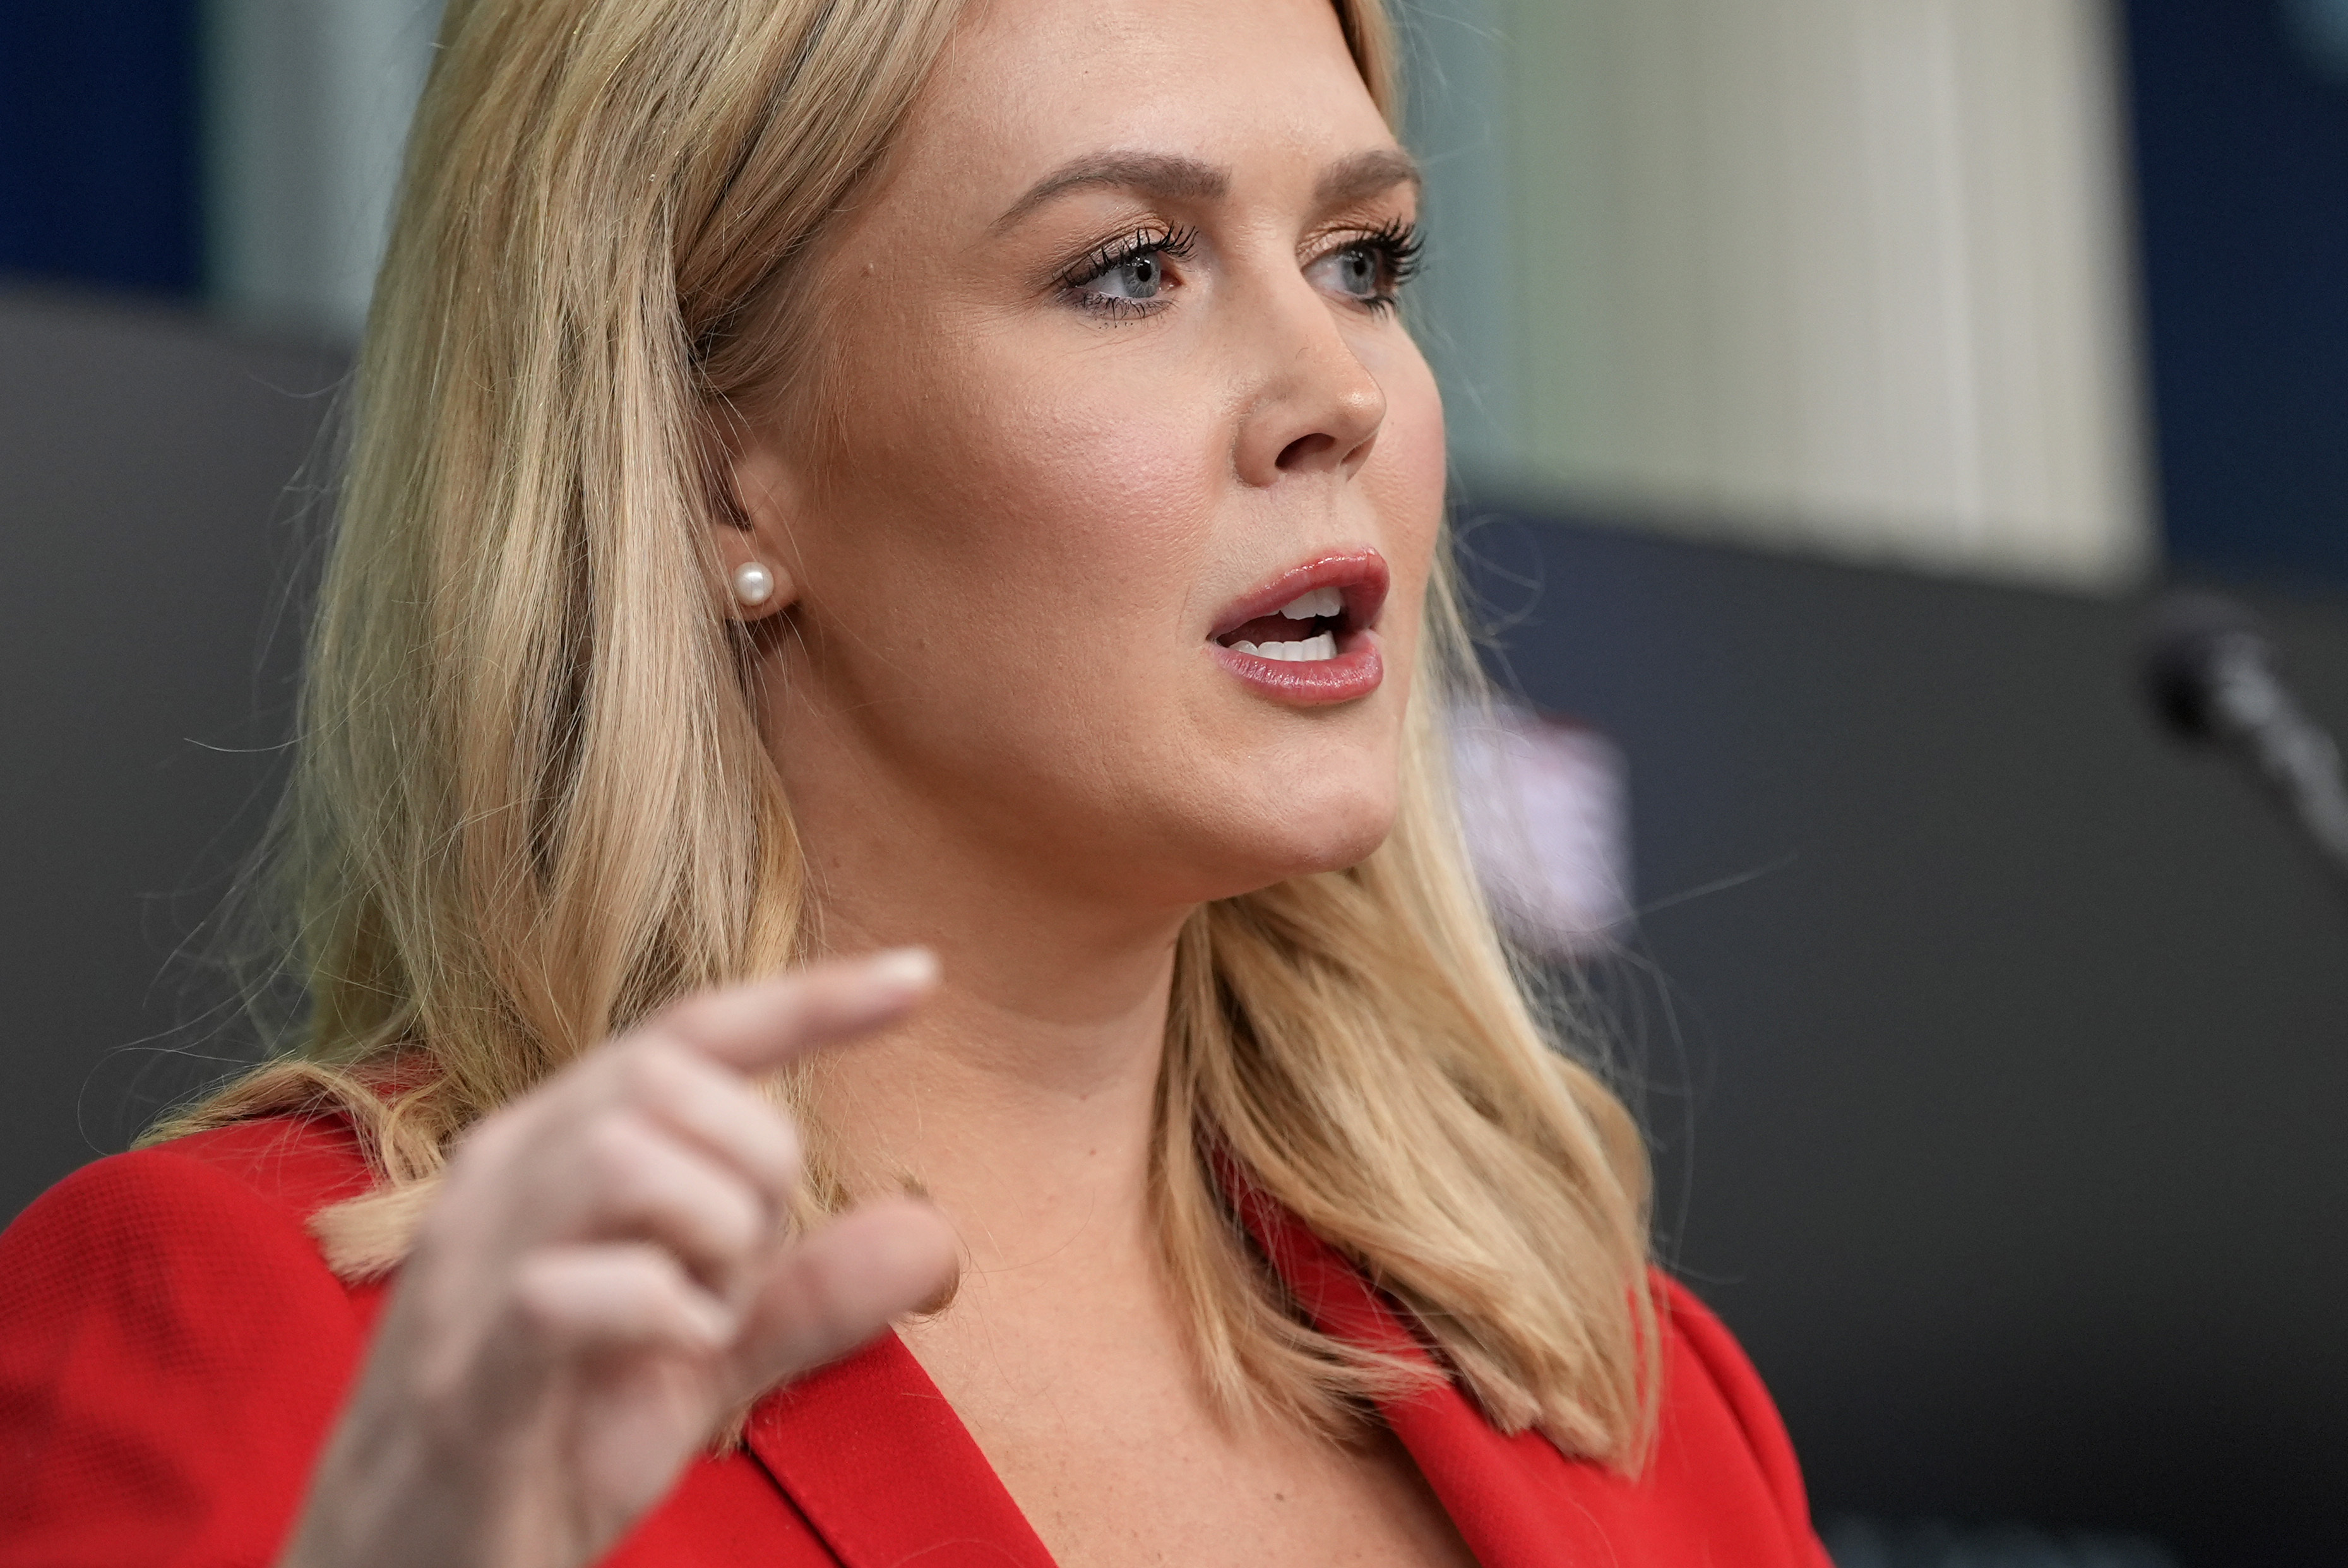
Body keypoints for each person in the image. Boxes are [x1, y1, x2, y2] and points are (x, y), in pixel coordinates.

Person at [0, 0, 1832, 1564]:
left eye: (1364, 258)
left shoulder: (1630, 1400)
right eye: (1131, 269)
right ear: (720, 466)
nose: (1336, 387)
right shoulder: (270, 1335)